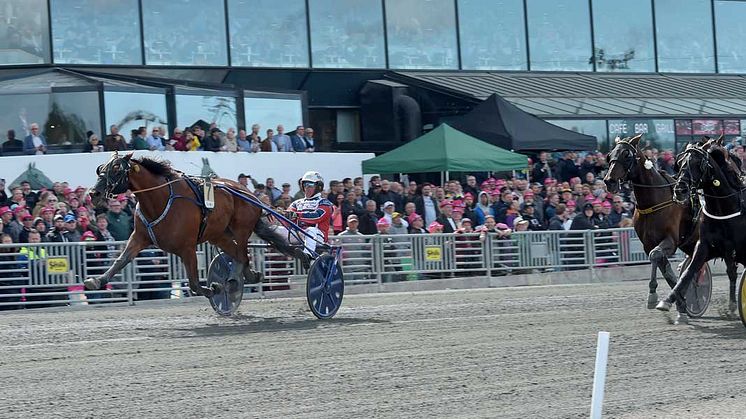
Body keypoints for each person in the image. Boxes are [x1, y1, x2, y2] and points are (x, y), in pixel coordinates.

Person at [283, 171, 334, 266]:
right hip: (298, 234)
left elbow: (317, 216)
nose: (307, 188)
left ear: (318, 187)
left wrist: (297, 216)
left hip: (318, 236)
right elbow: (287, 216)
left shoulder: (325, 203)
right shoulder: (296, 203)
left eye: (310, 185)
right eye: (305, 185)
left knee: (311, 229)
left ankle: (307, 255)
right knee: (277, 230)